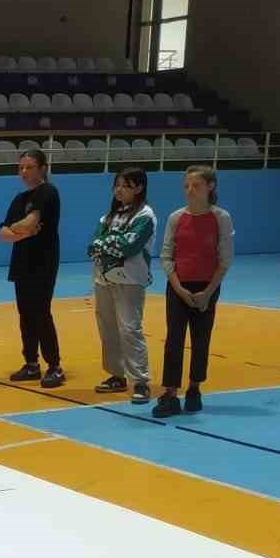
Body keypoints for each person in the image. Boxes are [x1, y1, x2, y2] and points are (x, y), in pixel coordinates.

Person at [154, 164, 234, 417]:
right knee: (174, 340)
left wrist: (208, 292)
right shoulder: (176, 218)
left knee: (201, 339)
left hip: (207, 287)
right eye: (186, 185)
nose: (190, 190)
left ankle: (194, 389)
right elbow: (166, 256)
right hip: (178, 286)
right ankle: (170, 394)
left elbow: (225, 259)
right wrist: (178, 287)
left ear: (210, 187)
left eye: (196, 185)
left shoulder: (221, 218)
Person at [86, 166, 156, 403]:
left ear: (139, 188)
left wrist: (106, 244)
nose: (119, 189)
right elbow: (93, 244)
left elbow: (129, 245)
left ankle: (141, 381)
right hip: (103, 277)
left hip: (130, 279)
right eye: (117, 185)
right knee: (107, 328)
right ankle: (117, 374)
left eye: (125, 185)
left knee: (130, 329)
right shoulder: (108, 217)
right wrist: (109, 243)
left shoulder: (145, 216)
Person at [0, 148, 64, 388]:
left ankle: (55, 366)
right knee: (25, 314)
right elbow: (3, 234)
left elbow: (30, 223)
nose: (24, 172)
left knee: (41, 313)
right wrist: (21, 231)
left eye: (29, 167)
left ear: (42, 168)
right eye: (21, 168)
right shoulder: (19, 199)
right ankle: (31, 363)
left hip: (43, 262)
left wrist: (19, 228)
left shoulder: (48, 192)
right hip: (22, 262)